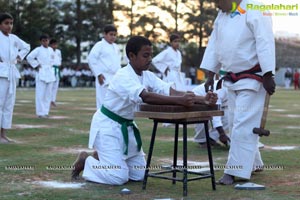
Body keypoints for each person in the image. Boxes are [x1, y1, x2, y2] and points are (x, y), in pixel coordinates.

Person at [71, 36, 218, 185]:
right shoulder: (123, 75)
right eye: (145, 55)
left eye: (151, 55)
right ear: (131, 56)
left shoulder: (147, 75)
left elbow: (169, 90)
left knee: (140, 175)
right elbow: (146, 96)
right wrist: (181, 100)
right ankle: (86, 161)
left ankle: (102, 157)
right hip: (107, 127)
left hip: (127, 126)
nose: (150, 59)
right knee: (118, 177)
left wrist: (202, 99)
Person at [201, 0, 276, 185]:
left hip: (253, 77)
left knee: (242, 125)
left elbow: (265, 40)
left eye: (218, 1)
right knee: (237, 123)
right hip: (231, 79)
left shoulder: (256, 8)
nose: (216, 5)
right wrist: (210, 74)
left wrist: (268, 73)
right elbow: (214, 44)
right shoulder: (222, 14)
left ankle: (233, 172)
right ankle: (254, 163)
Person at [0, 13, 30, 143]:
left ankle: (3, 134)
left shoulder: (13, 38)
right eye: (6, 23)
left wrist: (19, 57)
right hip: (1, 73)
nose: (9, 26)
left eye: (11, 23)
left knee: (8, 104)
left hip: (11, 73)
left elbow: (27, 47)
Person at [88, 24, 122, 109]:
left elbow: (118, 63)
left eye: (114, 35)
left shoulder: (116, 47)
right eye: (111, 34)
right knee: (102, 101)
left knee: (114, 101)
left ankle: (111, 120)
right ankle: (100, 120)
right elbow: (91, 59)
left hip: (115, 77)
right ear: (105, 34)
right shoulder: (99, 45)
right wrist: (98, 74)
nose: (113, 37)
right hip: (103, 76)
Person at [193, 79, 230, 147]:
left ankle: (211, 139)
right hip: (197, 99)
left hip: (215, 104)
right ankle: (202, 140)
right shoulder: (221, 89)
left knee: (229, 118)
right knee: (203, 117)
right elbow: (215, 113)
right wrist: (222, 134)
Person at [26, 34, 55, 118]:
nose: (45, 42)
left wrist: (50, 66)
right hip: (41, 71)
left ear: (49, 41)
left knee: (48, 94)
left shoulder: (51, 50)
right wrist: (36, 65)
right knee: (40, 94)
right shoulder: (38, 50)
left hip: (50, 72)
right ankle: (40, 113)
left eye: (47, 40)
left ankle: (46, 112)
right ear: (41, 41)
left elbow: (52, 60)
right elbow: (29, 57)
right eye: (43, 40)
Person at [49, 39, 62, 107]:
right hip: (51, 69)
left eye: (56, 44)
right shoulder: (48, 50)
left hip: (57, 69)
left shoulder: (58, 52)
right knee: (50, 86)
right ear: (50, 45)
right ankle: (48, 100)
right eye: (54, 44)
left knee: (55, 87)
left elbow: (60, 60)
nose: (55, 46)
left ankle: (53, 100)